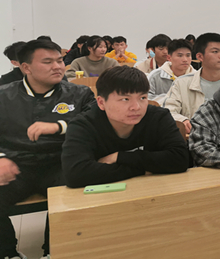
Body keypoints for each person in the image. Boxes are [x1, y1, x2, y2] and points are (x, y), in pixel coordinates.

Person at [0, 39, 95, 259]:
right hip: (16, 164)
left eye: (60, 60)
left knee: (73, 187)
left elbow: (94, 122)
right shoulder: (4, 96)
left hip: (60, 162)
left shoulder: (79, 93)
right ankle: (9, 257)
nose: (58, 66)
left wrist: (59, 126)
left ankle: (52, 255)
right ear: (26, 67)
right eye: (48, 61)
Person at [61, 66, 189, 190]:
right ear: (101, 102)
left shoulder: (158, 117)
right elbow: (76, 174)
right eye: (125, 99)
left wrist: (120, 157)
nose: (136, 107)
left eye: (142, 98)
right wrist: (143, 169)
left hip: (153, 191)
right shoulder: (83, 125)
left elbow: (181, 159)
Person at [165, 33, 220, 134]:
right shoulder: (182, 83)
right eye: (215, 52)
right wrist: (182, 120)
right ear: (200, 56)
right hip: (194, 137)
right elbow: (168, 110)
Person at [148, 39, 196, 104]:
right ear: (169, 58)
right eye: (180, 55)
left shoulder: (197, 77)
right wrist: (169, 100)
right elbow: (146, 97)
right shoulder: (155, 76)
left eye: (188, 55)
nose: (185, 60)